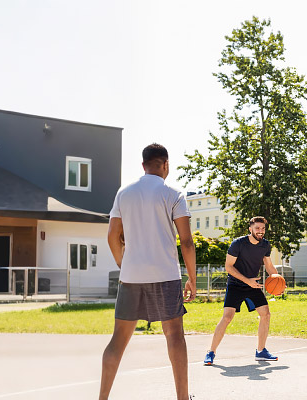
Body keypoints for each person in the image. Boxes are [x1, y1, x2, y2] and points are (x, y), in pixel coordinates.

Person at [100, 143, 197, 400]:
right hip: (166, 274)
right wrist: (193, 280)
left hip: (131, 276)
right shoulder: (174, 194)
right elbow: (186, 241)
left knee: (118, 339)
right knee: (174, 334)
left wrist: (124, 263)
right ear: (165, 164)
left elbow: (112, 236)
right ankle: (182, 398)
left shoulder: (124, 193)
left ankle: (102, 398)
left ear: (143, 166)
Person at [204, 216, 282, 365]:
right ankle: (211, 352)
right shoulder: (238, 244)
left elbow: (269, 265)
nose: (260, 231)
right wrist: (247, 281)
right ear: (250, 229)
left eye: (263, 228)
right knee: (227, 317)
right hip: (236, 284)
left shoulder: (265, 245)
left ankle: (261, 352)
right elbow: (228, 267)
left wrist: (278, 281)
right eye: (257, 228)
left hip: (253, 284)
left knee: (265, 314)